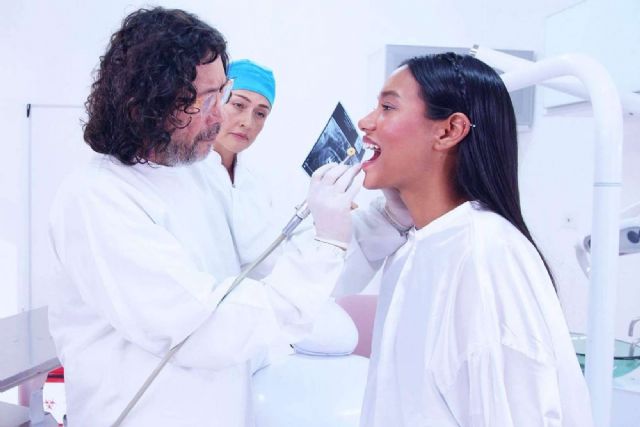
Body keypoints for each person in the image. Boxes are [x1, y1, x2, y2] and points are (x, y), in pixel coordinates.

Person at [47, 7, 360, 426]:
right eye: (206, 100)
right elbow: (204, 332)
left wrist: (374, 224)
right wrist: (325, 248)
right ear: (147, 105)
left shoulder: (198, 172)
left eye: (222, 92)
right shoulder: (100, 199)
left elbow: (266, 265)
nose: (220, 116)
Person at [336, 53, 593, 426]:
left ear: (448, 131)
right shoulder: (417, 247)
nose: (365, 122)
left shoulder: (486, 254)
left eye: (388, 106)